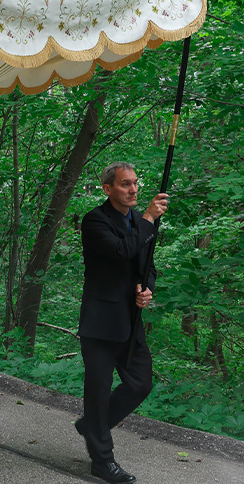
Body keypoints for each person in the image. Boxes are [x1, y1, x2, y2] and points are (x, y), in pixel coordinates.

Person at [75, 162, 168, 484]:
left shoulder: (141, 223)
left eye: (135, 184)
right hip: (101, 322)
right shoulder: (95, 220)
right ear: (108, 189)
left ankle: (92, 426)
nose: (133, 190)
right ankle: (102, 461)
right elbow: (121, 252)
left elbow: (147, 265)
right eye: (126, 184)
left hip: (132, 320)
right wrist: (148, 219)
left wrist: (147, 289)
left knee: (140, 383)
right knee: (98, 393)